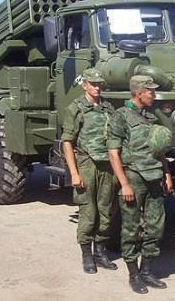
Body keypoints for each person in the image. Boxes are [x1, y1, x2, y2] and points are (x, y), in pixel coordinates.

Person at [107, 75, 174, 294]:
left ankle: (147, 271)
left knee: (156, 225)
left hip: (154, 177)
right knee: (131, 227)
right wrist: (124, 184)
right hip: (133, 177)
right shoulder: (120, 116)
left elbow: (159, 149)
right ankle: (133, 274)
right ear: (138, 93)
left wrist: (167, 174)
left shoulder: (151, 115)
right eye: (150, 91)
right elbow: (113, 153)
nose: (153, 95)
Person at [61, 68, 118, 274]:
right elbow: (67, 142)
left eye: (99, 84)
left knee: (106, 210)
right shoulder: (76, 108)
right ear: (84, 84)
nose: (97, 87)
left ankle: (100, 252)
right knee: (88, 212)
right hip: (87, 164)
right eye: (93, 84)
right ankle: (87, 255)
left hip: (107, 165)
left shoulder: (108, 108)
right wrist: (74, 173)